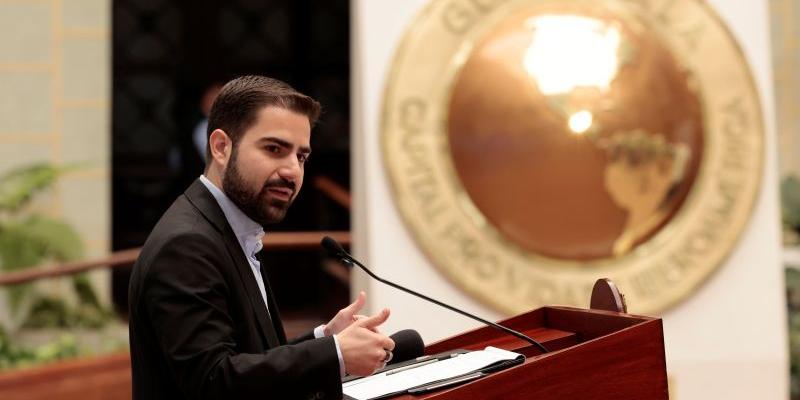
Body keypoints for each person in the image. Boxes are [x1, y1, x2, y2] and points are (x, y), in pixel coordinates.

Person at [128, 75, 395, 400]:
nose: (292, 171)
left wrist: (324, 338)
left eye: (301, 157)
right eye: (274, 149)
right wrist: (335, 354)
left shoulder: (229, 229)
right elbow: (214, 381)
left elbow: (250, 358)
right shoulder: (186, 245)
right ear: (221, 147)